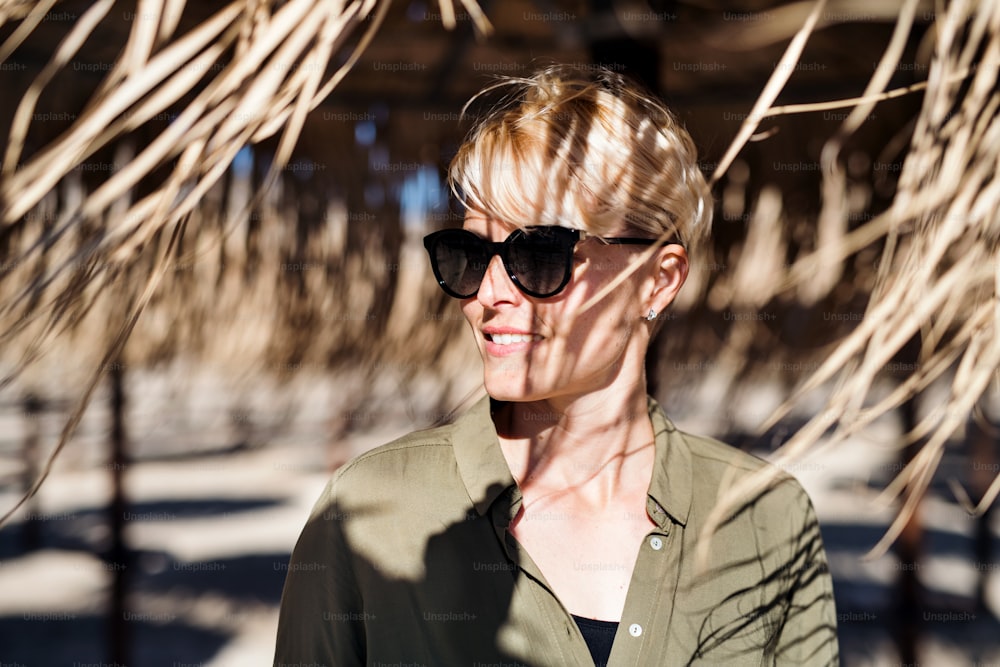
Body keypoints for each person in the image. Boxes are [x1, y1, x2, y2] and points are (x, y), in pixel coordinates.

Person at [274, 65, 839, 666]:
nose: (488, 294)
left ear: (657, 280)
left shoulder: (763, 519)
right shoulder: (370, 511)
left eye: (539, 253)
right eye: (467, 254)